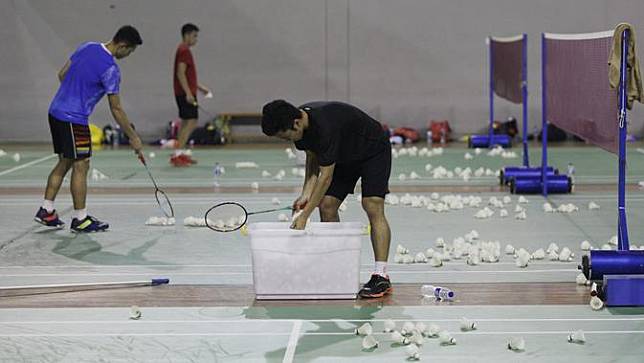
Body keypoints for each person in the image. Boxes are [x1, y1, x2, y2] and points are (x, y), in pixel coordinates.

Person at [261, 100, 393, 298]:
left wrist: (305, 215)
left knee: (372, 205)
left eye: (285, 136)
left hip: (372, 150)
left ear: (296, 124)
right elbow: (312, 157)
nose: (288, 141)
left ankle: (381, 275)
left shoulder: (325, 127)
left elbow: (326, 177)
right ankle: (337, 267)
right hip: (344, 154)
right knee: (327, 205)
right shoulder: (300, 123)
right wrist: (306, 193)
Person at [34, 25, 144, 232]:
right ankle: (81, 219)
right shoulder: (111, 69)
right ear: (122, 45)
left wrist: (74, 91)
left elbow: (62, 74)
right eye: (130, 51)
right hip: (74, 118)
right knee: (81, 164)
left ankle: (46, 210)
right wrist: (133, 137)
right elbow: (117, 109)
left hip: (55, 111)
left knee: (66, 161)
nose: (128, 55)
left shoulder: (87, 47)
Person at [171, 23, 212, 166]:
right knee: (192, 121)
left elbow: (187, 76)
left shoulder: (184, 50)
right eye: (194, 36)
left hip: (184, 91)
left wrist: (200, 88)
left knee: (185, 122)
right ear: (187, 35)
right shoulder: (183, 50)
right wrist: (188, 93)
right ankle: (177, 154)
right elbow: (180, 73)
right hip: (184, 93)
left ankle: (179, 154)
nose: (196, 39)